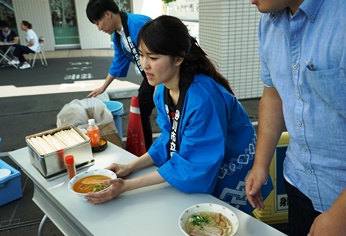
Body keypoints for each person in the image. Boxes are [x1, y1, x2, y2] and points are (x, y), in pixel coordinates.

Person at [86, 15, 273, 214]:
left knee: (228, 223)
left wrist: (127, 186)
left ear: (178, 58)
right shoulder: (161, 90)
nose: (144, 65)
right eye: (141, 55)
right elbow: (168, 138)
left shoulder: (202, 99)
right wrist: (129, 167)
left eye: (154, 57)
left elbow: (195, 163)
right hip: (207, 169)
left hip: (233, 173)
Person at [245, 0, 346, 235]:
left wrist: (340, 216)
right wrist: (261, 165)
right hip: (298, 181)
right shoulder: (268, 24)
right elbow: (274, 96)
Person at [86, 0, 155, 150]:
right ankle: (147, 151)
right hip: (151, 77)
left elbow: (159, 54)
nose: (99, 28)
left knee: (168, 113)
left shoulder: (137, 24)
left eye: (98, 22)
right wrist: (103, 87)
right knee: (141, 108)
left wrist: (160, 86)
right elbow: (118, 61)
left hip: (166, 75)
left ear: (108, 14)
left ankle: (172, 152)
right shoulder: (117, 36)